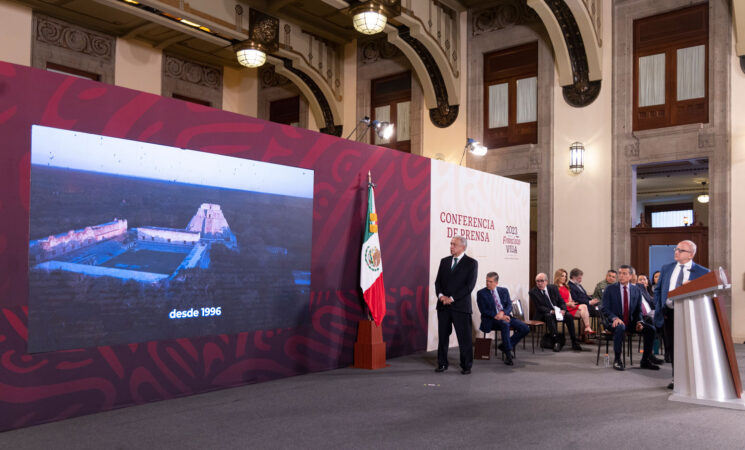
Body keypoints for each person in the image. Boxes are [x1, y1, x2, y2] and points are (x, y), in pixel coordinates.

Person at [653, 240, 709, 389]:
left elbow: (707, 295)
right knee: (672, 348)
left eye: (681, 250)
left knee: (692, 347)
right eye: (676, 249)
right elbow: (658, 290)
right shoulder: (666, 268)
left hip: (691, 315)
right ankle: (676, 378)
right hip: (669, 314)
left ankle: (695, 379)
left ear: (691, 254)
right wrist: (659, 306)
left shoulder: (703, 272)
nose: (676, 252)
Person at [601, 265, 659, 371]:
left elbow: (638, 310)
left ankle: (645, 360)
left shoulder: (636, 289)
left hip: (631, 322)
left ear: (630, 276)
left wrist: (639, 321)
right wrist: (614, 318)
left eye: (624, 274)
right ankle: (617, 360)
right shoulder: (610, 289)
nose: (621, 276)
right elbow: (604, 308)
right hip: (613, 322)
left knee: (651, 329)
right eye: (620, 273)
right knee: (620, 327)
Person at [434, 236, 478, 374]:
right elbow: (438, 282)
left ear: (463, 247)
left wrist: (452, 298)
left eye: (454, 244)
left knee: (464, 338)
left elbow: (469, 286)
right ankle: (442, 363)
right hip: (443, 307)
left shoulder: (471, 263)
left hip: (461, 307)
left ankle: (466, 365)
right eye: (451, 244)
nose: (451, 246)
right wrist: (441, 297)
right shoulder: (444, 261)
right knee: (442, 337)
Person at [476, 272, 529, 366]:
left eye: (490, 282)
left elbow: (509, 305)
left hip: (505, 316)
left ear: (496, 282)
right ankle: (508, 354)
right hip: (491, 319)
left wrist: (503, 313)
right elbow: (484, 310)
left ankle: (505, 346)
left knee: (525, 328)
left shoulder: (504, 290)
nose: (488, 283)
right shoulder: (481, 293)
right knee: (505, 324)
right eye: (487, 281)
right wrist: (498, 315)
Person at [529, 273, 582, 352]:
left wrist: (563, 309)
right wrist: (551, 311)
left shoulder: (553, 288)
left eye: (541, 281)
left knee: (568, 315)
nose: (539, 283)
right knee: (548, 316)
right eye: (537, 281)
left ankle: (574, 341)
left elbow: (561, 301)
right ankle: (556, 341)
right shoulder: (533, 292)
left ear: (546, 281)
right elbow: (539, 307)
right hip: (544, 314)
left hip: (557, 311)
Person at [555, 269, 593, 338]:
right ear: (558, 277)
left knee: (584, 309)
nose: (564, 278)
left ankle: (584, 333)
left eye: (565, 276)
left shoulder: (566, 286)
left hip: (570, 306)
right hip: (563, 307)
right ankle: (585, 331)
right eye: (562, 276)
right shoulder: (555, 288)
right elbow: (556, 302)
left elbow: (570, 299)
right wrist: (568, 304)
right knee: (584, 309)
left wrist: (572, 303)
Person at [568, 268, 600, 336]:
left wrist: (592, 299)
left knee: (601, 306)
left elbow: (584, 295)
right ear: (573, 277)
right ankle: (586, 334)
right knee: (599, 311)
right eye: (579, 278)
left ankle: (588, 334)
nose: (581, 280)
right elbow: (575, 299)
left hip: (587, 304)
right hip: (580, 306)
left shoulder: (578, 284)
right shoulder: (570, 286)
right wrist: (589, 302)